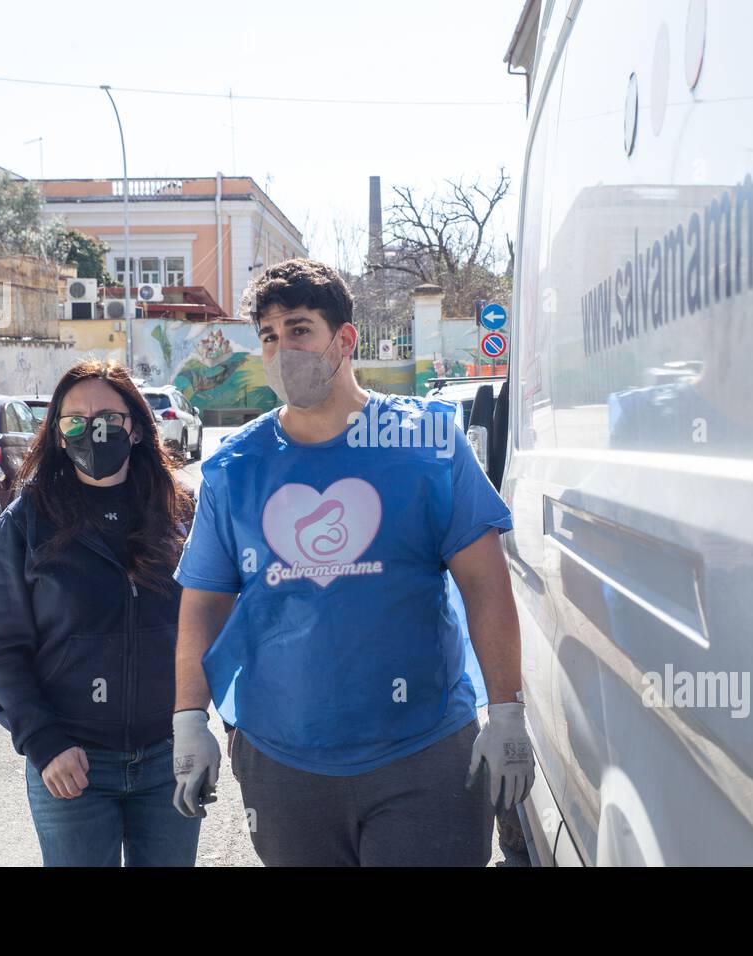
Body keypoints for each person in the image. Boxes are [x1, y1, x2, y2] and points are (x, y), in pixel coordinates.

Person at [170, 258, 534, 866]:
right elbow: (204, 602)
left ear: (345, 339)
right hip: (284, 762)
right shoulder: (234, 468)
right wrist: (188, 718)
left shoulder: (427, 443)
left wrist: (506, 713)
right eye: (268, 336)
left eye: (299, 329)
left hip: (424, 753)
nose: (283, 348)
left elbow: (486, 585)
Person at [0, 360, 200, 866]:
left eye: (105, 416)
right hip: (71, 764)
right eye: (72, 420)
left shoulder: (179, 511)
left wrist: (209, 723)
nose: (88, 429)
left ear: (137, 427)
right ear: (57, 434)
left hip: (169, 757)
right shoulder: (26, 521)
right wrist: (44, 742)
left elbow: (209, 625)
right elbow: (1, 649)